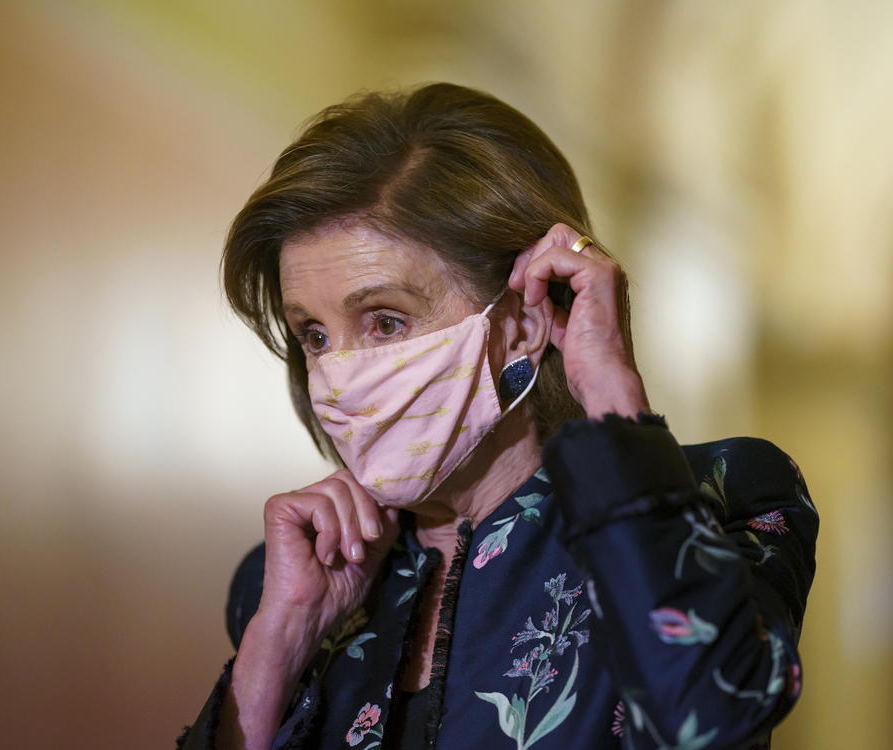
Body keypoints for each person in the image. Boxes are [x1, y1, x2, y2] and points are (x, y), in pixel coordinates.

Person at [176, 83, 817, 750]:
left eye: (386, 321)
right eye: (313, 334)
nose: (337, 373)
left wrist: (615, 408)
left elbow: (711, 723)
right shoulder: (287, 578)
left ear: (521, 325)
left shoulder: (723, 497)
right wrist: (278, 642)